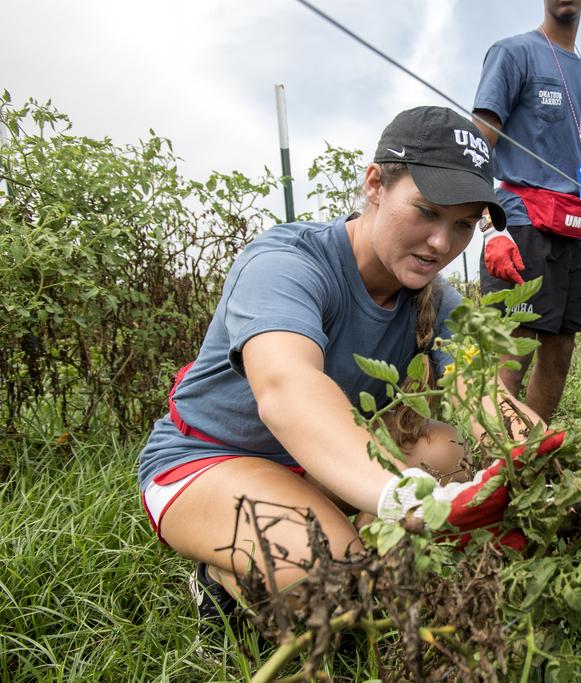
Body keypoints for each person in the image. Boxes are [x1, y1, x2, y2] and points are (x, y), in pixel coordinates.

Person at [137, 107, 553, 627]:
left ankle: (330, 526)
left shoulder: (436, 301)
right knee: (336, 582)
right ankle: (218, 581)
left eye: (464, 225)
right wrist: (404, 498)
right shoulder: (287, 262)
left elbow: (485, 398)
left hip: (317, 466)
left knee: (458, 451)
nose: (442, 244)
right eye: (427, 211)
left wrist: (556, 479)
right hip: (209, 460)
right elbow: (288, 388)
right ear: (376, 183)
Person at [472, 0, 581, 423]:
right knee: (514, 349)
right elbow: (479, 145)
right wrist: (488, 224)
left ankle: (528, 457)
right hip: (521, 223)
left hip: (575, 226)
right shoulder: (513, 53)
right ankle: (492, 465)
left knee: (561, 349)